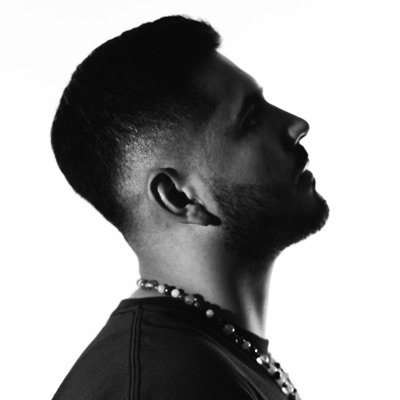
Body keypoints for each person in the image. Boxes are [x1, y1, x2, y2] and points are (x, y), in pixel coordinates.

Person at [51, 15, 329, 400]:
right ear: (179, 197)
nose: (297, 124)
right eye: (250, 119)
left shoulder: (201, 357)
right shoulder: (172, 384)